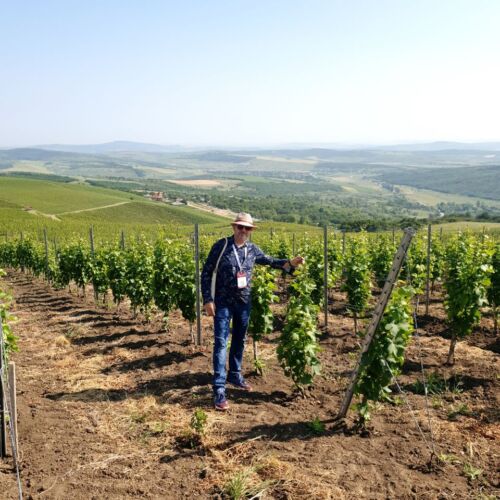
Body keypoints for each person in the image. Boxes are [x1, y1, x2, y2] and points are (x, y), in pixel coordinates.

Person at [201, 212, 304, 410]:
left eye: (247, 228)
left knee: (239, 339)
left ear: (250, 231)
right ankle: (219, 388)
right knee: (221, 343)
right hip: (222, 302)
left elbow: (271, 261)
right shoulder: (221, 246)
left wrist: (290, 263)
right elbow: (206, 272)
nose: (243, 231)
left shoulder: (252, 250)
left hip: (243, 302)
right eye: (240, 227)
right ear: (234, 227)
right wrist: (208, 299)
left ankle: (235, 374)